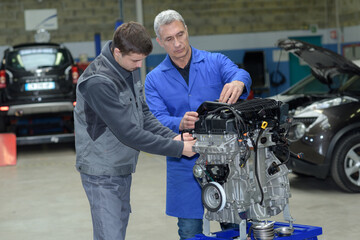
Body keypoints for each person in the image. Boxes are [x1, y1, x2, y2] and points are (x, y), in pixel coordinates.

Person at [74, 21, 196, 240]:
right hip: (102, 173)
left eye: (142, 59)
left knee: (116, 233)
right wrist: (178, 148)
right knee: (109, 235)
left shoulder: (126, 67)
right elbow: (129, 133)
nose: (140, 65)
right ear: (118, 52)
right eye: (136, 60)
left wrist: (173, 136)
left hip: (120, 167)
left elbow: (144, 115)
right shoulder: (98, 82)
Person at [145, 10, 252, 240]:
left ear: (187, 30)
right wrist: (178, 122)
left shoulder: (215, 61)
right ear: (160, 42)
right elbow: (154, 120)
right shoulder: (154, 79)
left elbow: (240, 73)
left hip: (226, 160)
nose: (177, 43)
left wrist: (238, 82)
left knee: (236, 228)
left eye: (180, 34)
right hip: (184, 162)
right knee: (190, 231)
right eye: (169, 39)